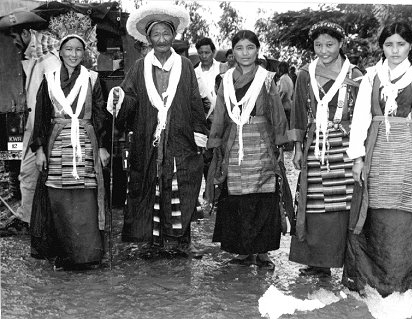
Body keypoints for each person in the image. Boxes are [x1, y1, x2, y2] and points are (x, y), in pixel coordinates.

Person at [343, 22, 412, 297]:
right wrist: (357, 157)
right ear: (382, 47)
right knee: (376, 211)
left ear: (410, 46)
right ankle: (375, 281)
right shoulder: (371, 77)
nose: (395, 50)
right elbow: (360, 120)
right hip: (378, 153)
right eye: (389, 44)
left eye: (401, 44)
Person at [109, 4, 208, 257]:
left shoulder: (185, 66)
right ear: (149, 38)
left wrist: (199, 135)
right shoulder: (139, 68)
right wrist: (120, 96)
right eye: (156, 35)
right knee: (148, 185)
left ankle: (179, 240)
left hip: (180, 138)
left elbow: (195, 101)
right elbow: (130, 100)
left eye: (166, 34)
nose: (162, 39)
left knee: (181, 185)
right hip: (148, 138)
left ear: (173, 36)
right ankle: (151, 242)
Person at [30, 11, 110, 269]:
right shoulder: (49, 80)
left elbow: (100, 115)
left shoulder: (94, 79)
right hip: (57, 145)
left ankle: (87, 255)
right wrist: (39, 149)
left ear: (84, 52)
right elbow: (41, 116)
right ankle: (63, 253)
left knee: (85, 196)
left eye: (78, 49)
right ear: (60, 52)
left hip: (86, 145)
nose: (74, 54)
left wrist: (104, 147)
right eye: (69, 49)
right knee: (58, 198)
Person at [206, 30, 289, 270]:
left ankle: (262, 252)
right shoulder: (226, 80)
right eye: (240, 48)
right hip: (234, 141)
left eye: (250, 48)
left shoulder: (266, 79)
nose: (245, 53)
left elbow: (276, 113)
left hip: (261, 141)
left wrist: (280, 145)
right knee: (236, 196)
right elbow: (220, 113)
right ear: (233, 52)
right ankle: (242, 251)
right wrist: (215, 144)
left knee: (263, 194)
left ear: (257, 50)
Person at [288, 21, 363, 277]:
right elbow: (298, 113)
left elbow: (362, 115)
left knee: (345, 203)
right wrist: (297, 147)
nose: (324, 50)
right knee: (315, 203)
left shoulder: (355, 76)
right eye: (318, 45)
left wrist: (360, 153)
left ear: (341, 44)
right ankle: (318, 262)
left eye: (330, 44)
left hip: (345, 145)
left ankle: (346, 260)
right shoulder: (304, 74)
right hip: (315, 145)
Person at [0, 9, 60, 235]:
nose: (14, 42)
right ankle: (27, 219)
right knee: (27, 174)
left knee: (36, 175)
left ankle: (36, 221)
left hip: (44, 130)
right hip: (31, 127)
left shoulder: (50, 61)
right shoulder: (33, 60)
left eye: (16, 36)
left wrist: (42, 137)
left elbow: (54, 101)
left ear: (26, 34)